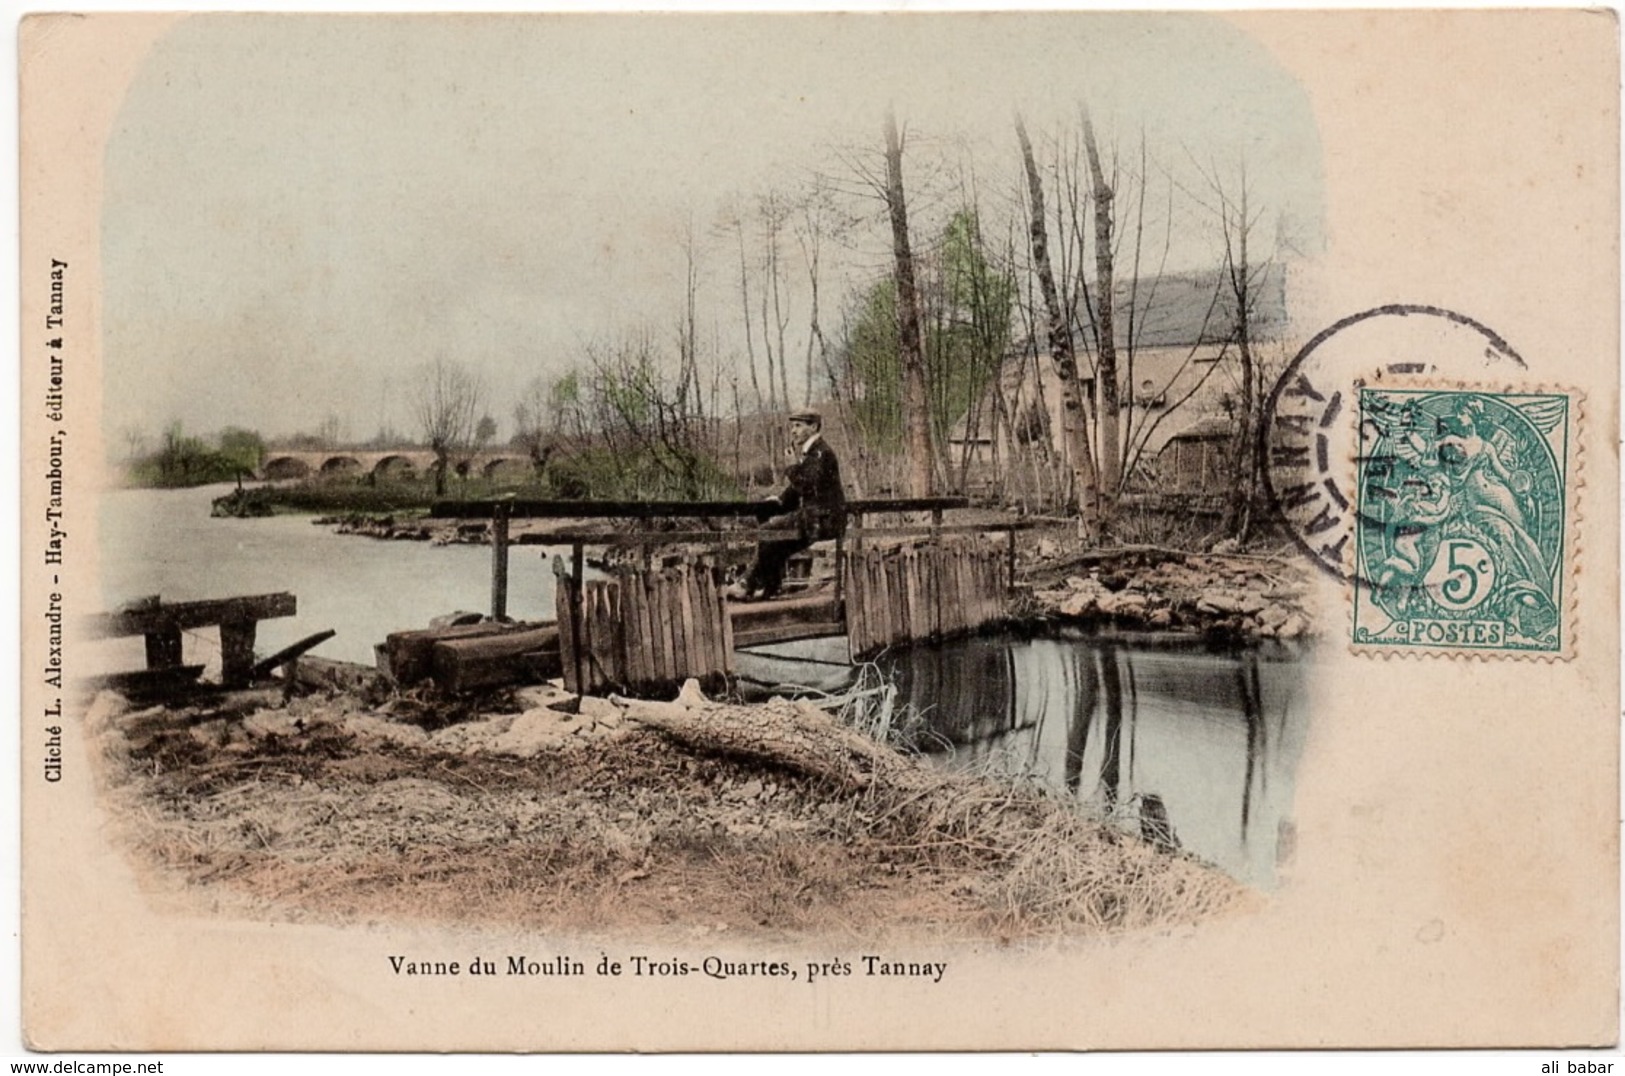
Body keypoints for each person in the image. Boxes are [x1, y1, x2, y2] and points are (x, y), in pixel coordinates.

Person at [728, 409, 846, 601]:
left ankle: (751, 584)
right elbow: (798, 488)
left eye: (799, 426)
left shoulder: (820, 453)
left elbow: (808, 486)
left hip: (822, 519)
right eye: (793, 426)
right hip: (818, 516)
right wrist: (780, 500)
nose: (793, 431)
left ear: (814, 427)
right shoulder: (813, 452)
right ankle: (763, 587)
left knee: (768, 531)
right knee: (775, 542)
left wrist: (791, 466)